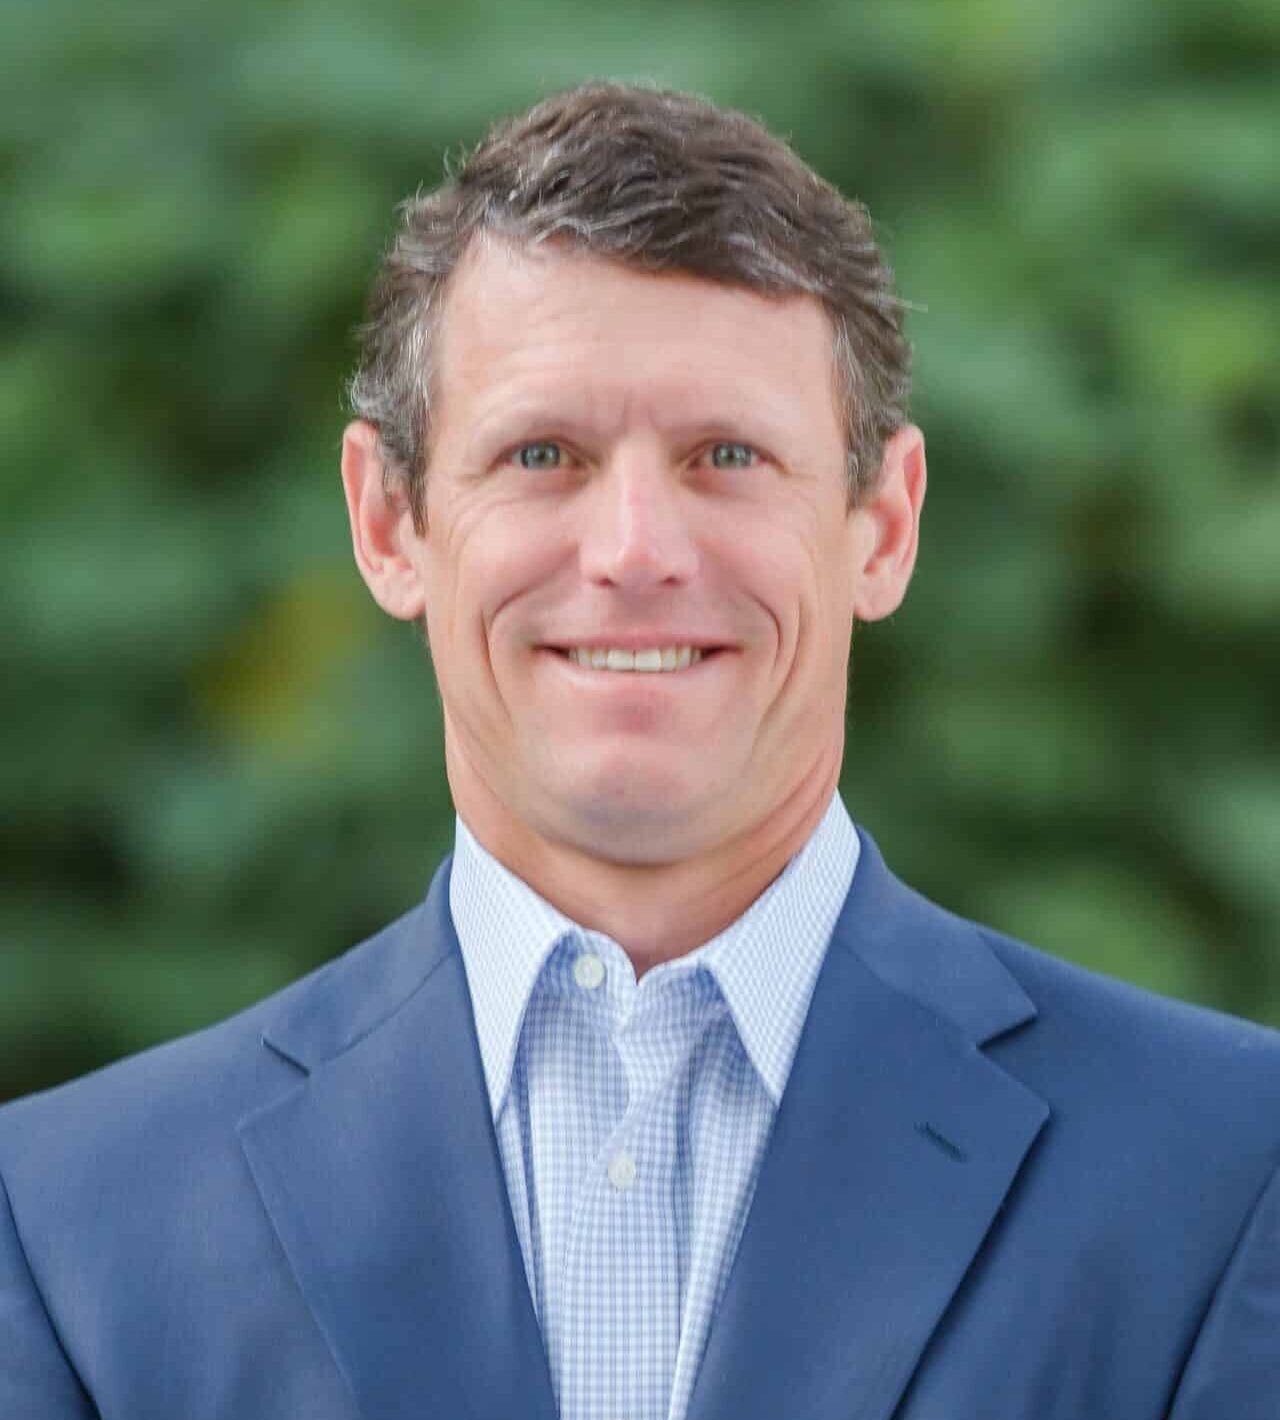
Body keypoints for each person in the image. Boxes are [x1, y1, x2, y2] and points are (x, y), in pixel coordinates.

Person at [1, 81, 1277, 1420]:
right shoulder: (73, 1230)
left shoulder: (1227, 1173)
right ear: (390, 523)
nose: (634, 553)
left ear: (883, 528)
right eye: (542, 453)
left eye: (726, 455)